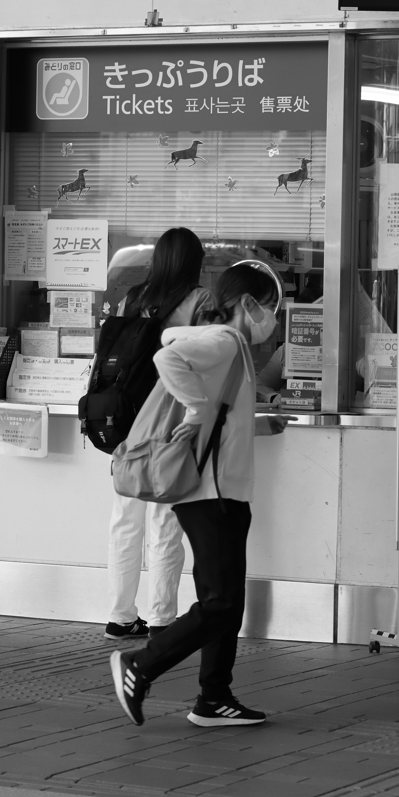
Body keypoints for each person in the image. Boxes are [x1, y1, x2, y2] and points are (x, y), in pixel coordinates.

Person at [110, 264, 290, 727]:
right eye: (269, 306)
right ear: (247, 304)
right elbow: (166, 360)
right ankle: (142, 665)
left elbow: (220, 414)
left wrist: (260, 424)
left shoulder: (235, 351)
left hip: (223, 492)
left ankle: (215, 698)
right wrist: (192, 405)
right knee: (221, 604)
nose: (273, 316)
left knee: (225, 601)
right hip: (210, 495)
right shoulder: (225, 341)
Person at [105, 227, 215, 641]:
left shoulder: (134, 297)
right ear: (194, 261)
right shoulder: (200, 300)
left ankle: (120, 616)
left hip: (125, 421)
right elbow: (212, 357)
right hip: (169, 419)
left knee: (124, 519)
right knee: (165, 520)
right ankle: (162, 620)